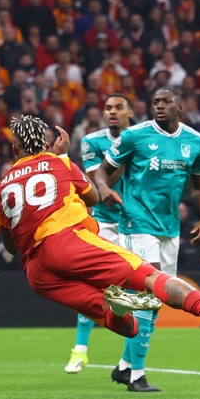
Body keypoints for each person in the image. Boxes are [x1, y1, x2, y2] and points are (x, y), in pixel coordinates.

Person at [0, 115, 200, 384]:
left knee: (125, 325)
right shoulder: (59, 163)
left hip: (37, 273)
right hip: (67, 242)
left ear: (15, 148)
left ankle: (120, 308)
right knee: (149, 277)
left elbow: (11, 247)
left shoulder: (0, 189)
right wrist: (63, 157)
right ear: (48, 143)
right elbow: (94, 197)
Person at [91, 87, 200, 392]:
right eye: (155, 101)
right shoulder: (134, 136)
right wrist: (104, 189)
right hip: (136, 223)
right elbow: (102, 172)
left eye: (166, 102)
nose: (159, 106)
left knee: (158, 301)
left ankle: (123, 366)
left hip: (169, 228)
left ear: (180, 107)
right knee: (150, 292)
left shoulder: (195, 142)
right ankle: (137, 376)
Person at [63, 94, 134, 374]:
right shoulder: (92, 141)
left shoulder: (143, 137)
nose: (112, 112)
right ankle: (80, 350)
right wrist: (126, 153)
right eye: (108, 108)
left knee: (138, 293)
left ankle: (129, 363)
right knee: (94, 286)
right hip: (104, 223)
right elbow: (99, 185)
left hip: (138, 223)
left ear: (130, 112)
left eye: (118, 107)